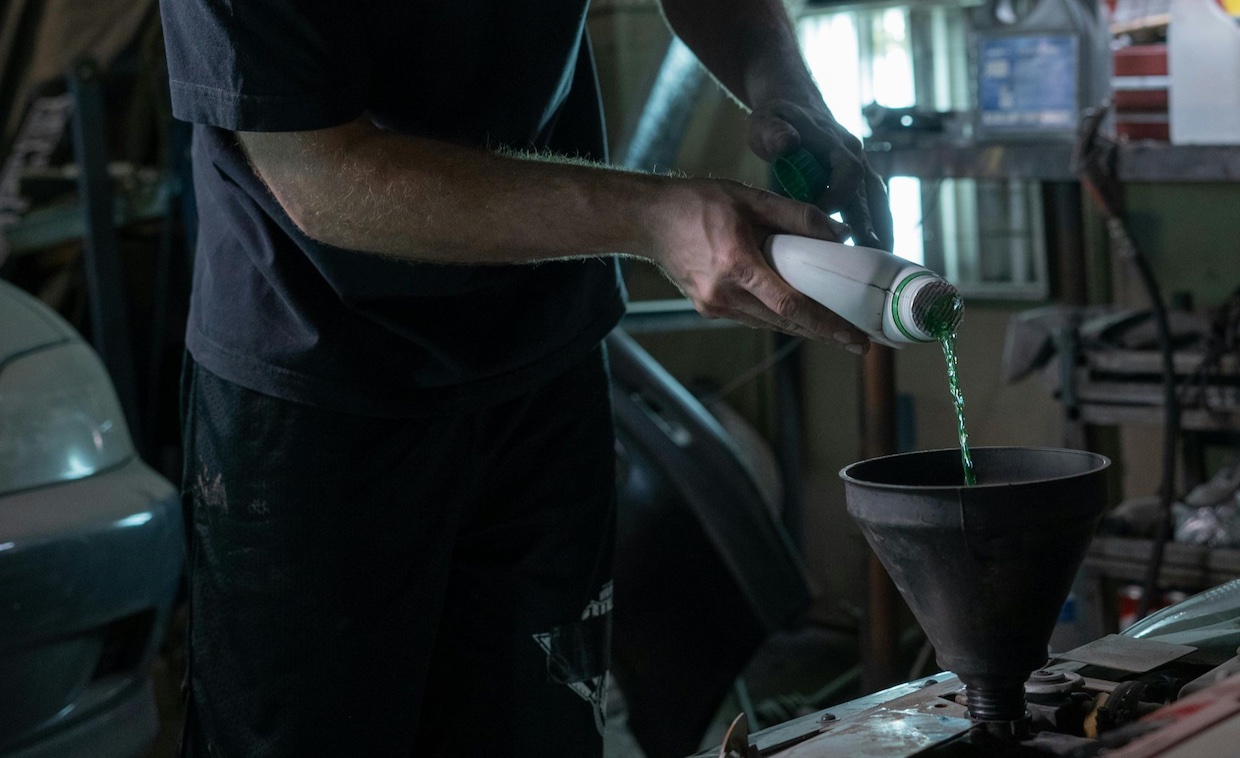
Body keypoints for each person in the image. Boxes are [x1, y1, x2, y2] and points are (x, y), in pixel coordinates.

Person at [158, 0, 893, 755]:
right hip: (315, 385)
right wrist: (650, 217)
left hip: (541, 354)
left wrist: (785, 87)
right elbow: (319, 170)